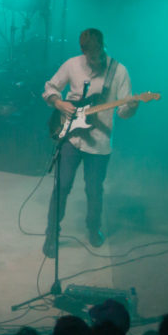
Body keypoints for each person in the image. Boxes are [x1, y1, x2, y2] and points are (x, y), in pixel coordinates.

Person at [43, 28, 138, 257]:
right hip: (71, 137)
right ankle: (51, 235)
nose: (97, 60)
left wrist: (132, 106)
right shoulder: (72, 65)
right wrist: (59, 103)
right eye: (92, 56)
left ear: (104, 46)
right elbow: (50, 88)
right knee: (62, 186)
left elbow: (124, 112)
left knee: (94, 190)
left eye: (100, 54)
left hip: (99, 143)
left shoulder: (119, 71)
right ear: (84, 52)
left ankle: (93, 229)